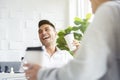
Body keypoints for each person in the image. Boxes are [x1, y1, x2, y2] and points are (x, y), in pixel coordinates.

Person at [24, 0, 120, 80]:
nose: (92, 10)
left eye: (47, 29)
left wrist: (41, 74)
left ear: (55, 33)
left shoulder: (109, 10)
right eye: (40, 32)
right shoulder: (33, 56)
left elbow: (82, 71)